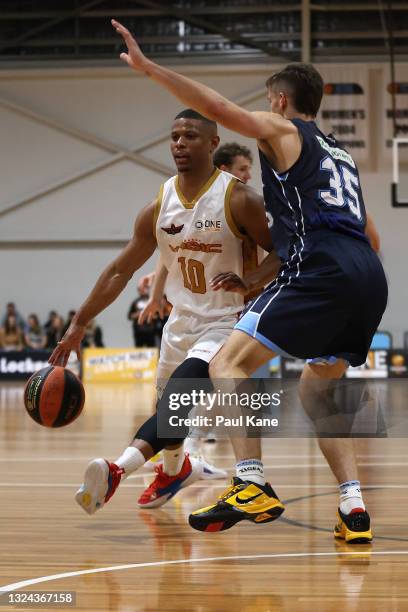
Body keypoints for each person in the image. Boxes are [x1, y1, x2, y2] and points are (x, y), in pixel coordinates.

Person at [109, 21, 388, 542]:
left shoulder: (286, 131)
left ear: (280, 101)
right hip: (369, 277)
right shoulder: (340, 154)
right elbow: (369, 232)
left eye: (267, 102)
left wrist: (150, 69)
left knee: (227, 362)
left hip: (321, 269)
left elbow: (217, 109)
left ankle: (252, 481)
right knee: (318, 393)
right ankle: (354, 508)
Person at [49, 108, 278, 512]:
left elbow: (286, 251)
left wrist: (254, 279)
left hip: (228, 321)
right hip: (181, 320)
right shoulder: (160, 205)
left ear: (212, 143)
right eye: (174, 136)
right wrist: (79, 323)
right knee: (169, 416)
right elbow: (120, 271)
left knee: (179, 397)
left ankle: (117, 469)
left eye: (190, 136)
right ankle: (175, 470)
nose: (179, 144)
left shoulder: (238, 198)